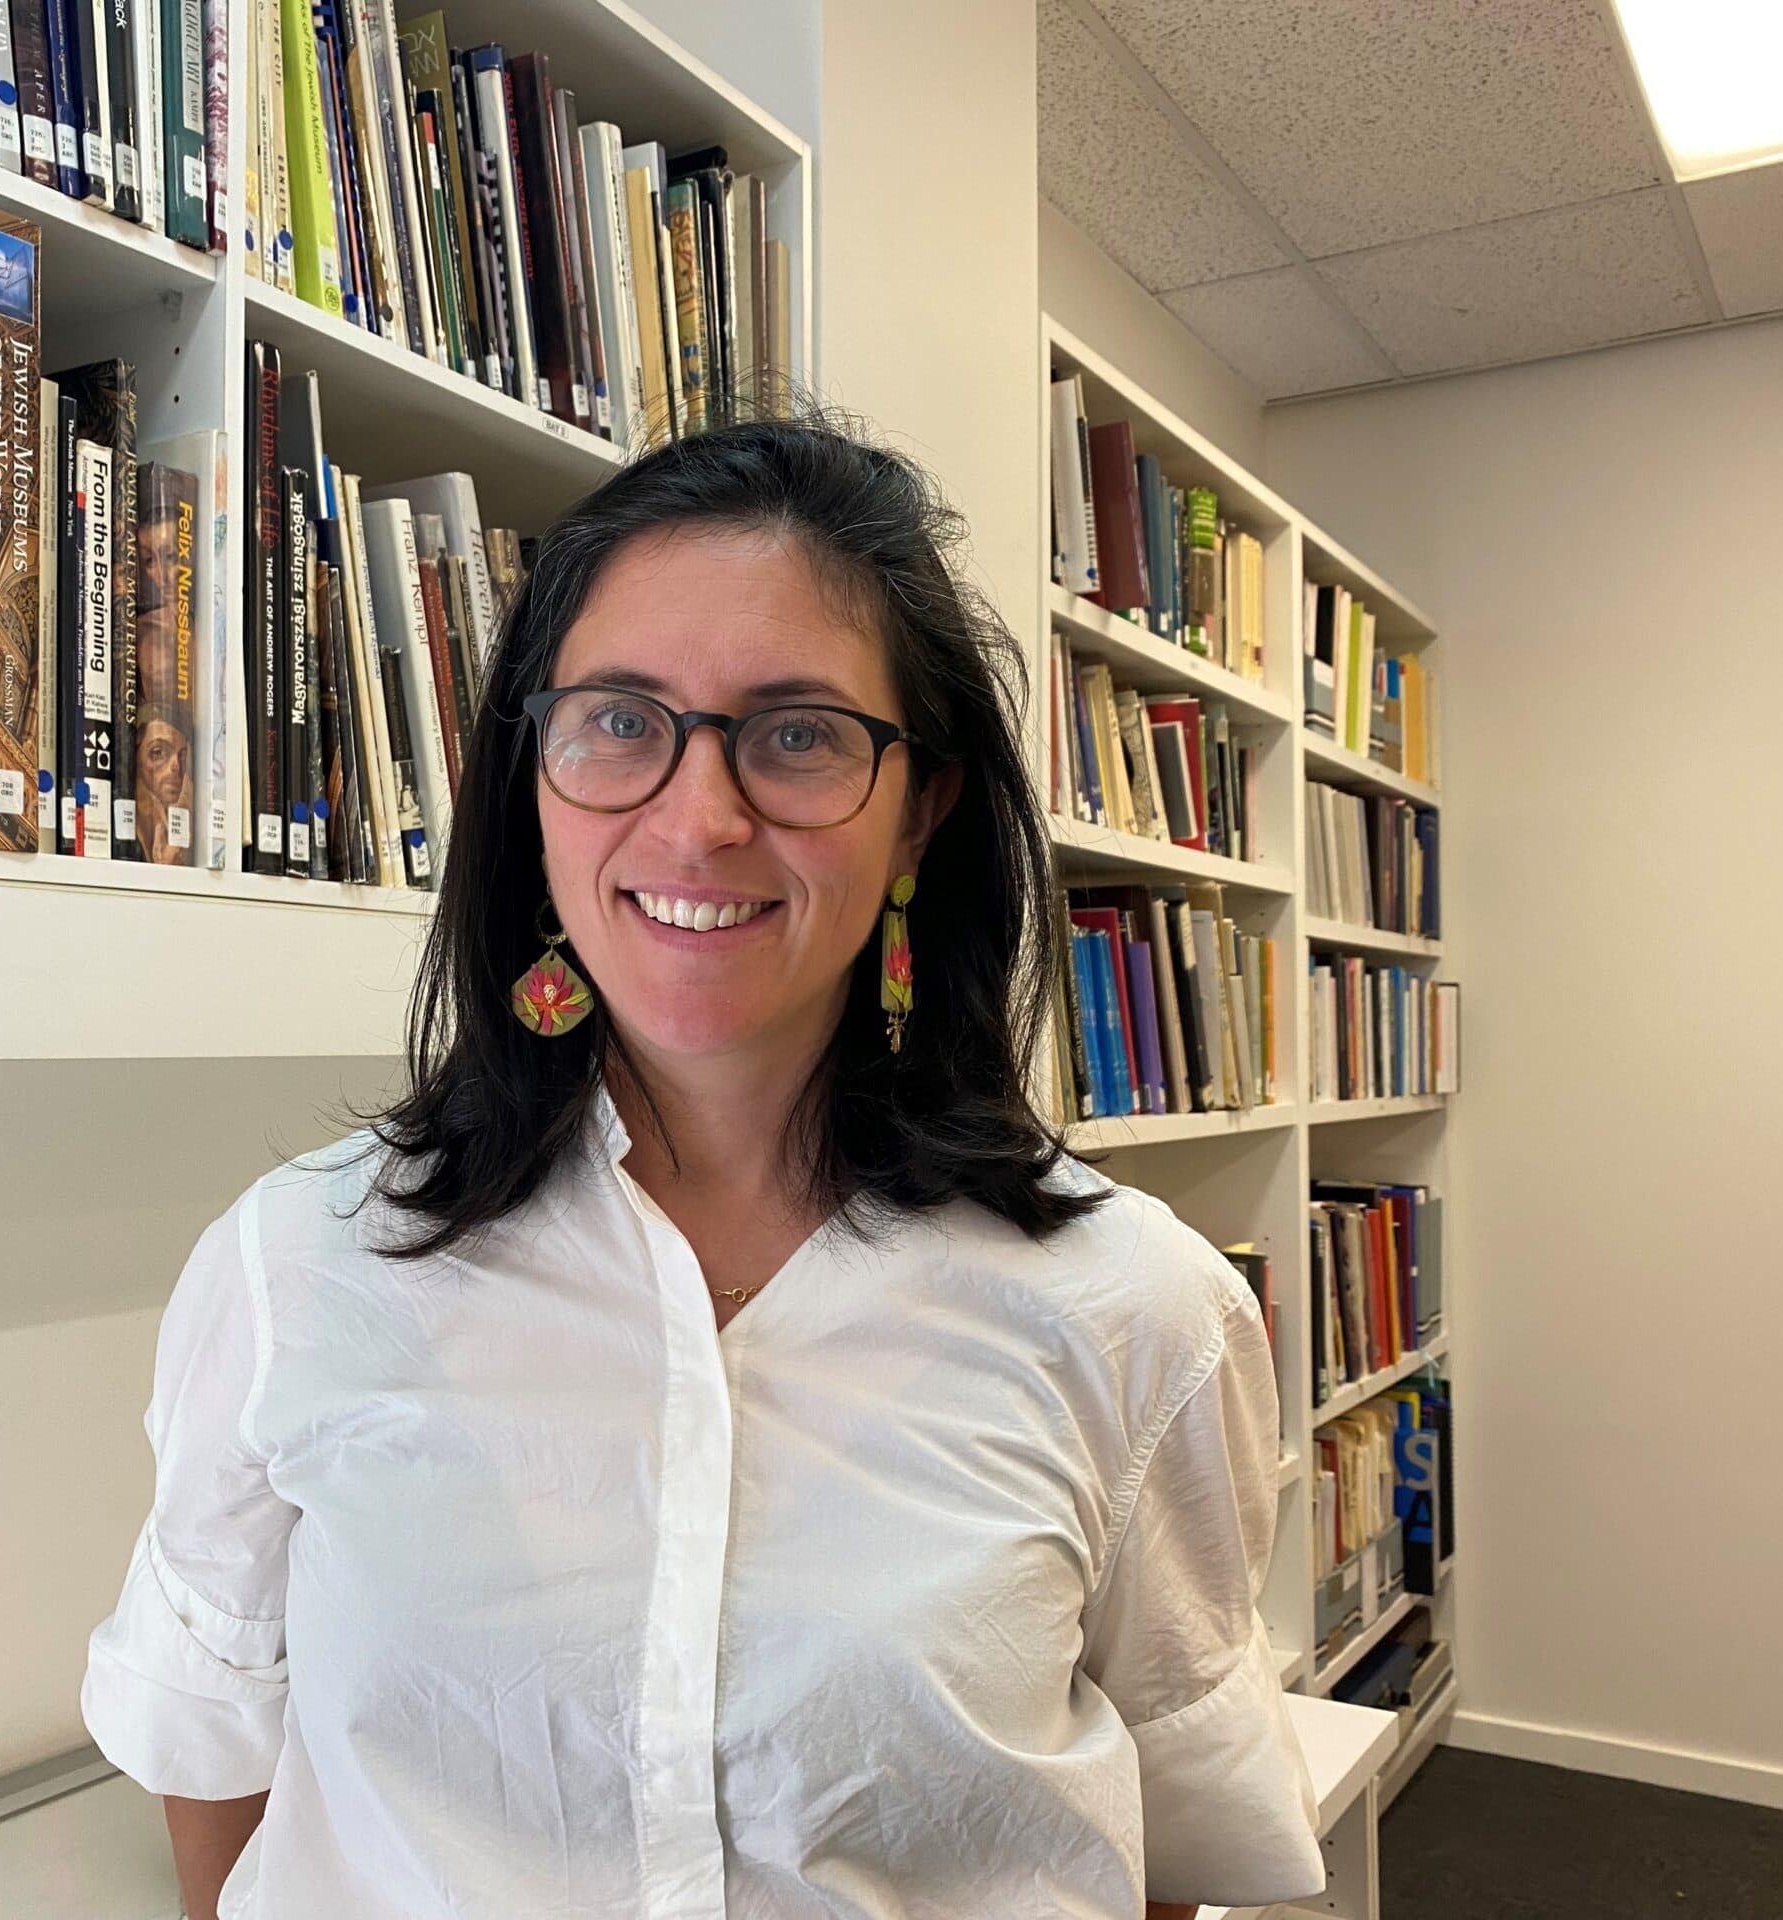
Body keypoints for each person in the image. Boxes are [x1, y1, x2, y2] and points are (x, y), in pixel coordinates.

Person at [80, 416, 1327, 1920]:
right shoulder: (300, 1266)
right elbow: (212, 1759)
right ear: (532, 777)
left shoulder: (1140, 1314)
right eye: (620, 718)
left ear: (919, 806)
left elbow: (1153, 1850)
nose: (699, 816)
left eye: (798, 732)